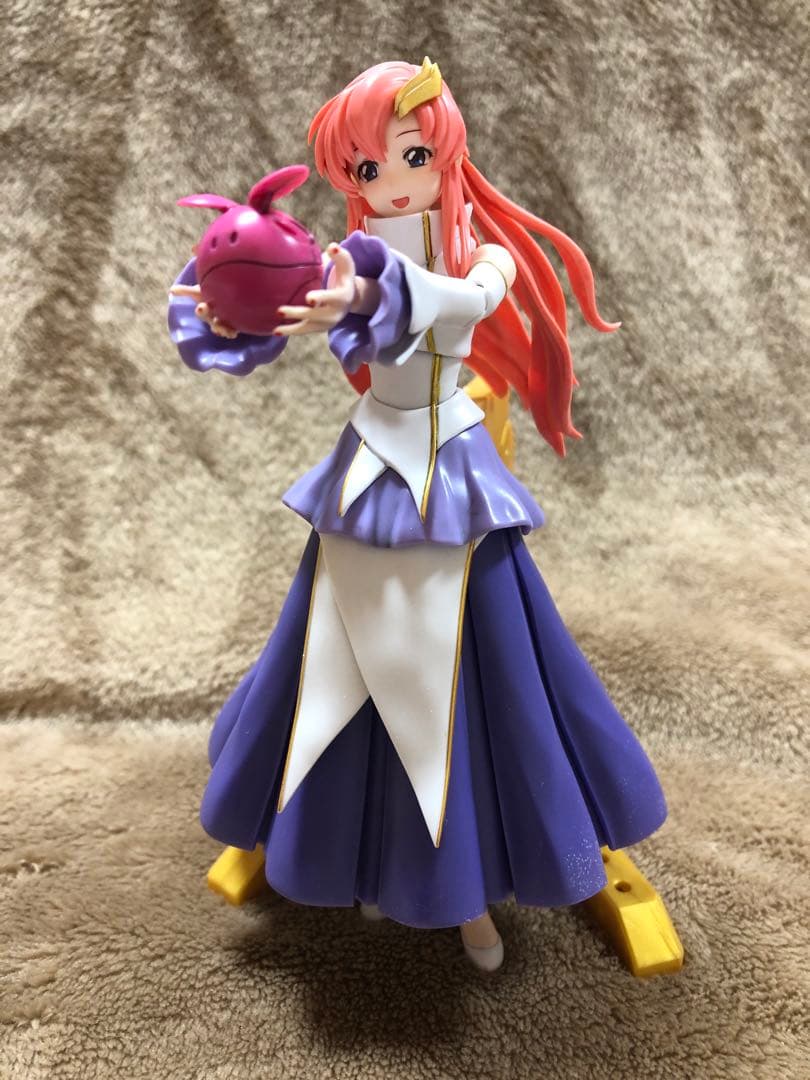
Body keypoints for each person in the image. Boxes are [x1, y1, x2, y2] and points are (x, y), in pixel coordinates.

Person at [169, 58, 667, 972]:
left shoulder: (480, 253)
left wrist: (370, 294)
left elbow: (463, 300)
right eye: (367, 168)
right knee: (334, 665)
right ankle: (349, 851)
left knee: (477, 674)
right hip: (369, 469)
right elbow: (298, 303)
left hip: (449, 472)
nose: (392, 181)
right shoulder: (349, 257)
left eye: (409, 156)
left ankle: (467, 890)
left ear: (443, 152)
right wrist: (236, 312)